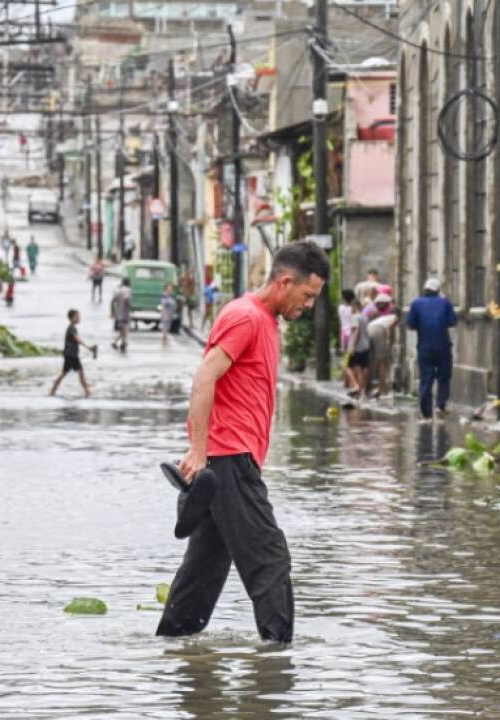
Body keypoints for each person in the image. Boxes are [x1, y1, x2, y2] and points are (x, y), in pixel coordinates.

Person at [157, 239, 330, 644]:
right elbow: (205, 376)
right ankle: (277, 660)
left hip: (229, 461)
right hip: (229, 459)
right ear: (284, 282)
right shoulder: (246, 317)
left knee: (204, 566)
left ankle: (173, 644)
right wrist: (199, 450)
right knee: (271, 558)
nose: (309, 305)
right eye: (307, 295)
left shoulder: (265, 321)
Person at [407, 277, 458, 419]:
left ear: (425, 289)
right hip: (443, 345)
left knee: (426, 378)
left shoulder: (416, 303)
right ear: (438, 290)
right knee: (444, 376)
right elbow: (453, 321)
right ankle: (440, 405)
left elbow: (410, 325)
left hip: (424, 347)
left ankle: (426, 413)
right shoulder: (445, 303)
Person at [50, 309, 96, 397]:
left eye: (79, 316)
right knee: (76, 373)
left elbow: (77, 339)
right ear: (72, 318)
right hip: (71, 355)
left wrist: (88, 348)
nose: (79, 318)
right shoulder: (72, 328)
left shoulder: (72, 328)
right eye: (77, 316)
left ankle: (53, 390)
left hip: (71, 354)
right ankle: (87, 392)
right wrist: (88, 347)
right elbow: (77, 339)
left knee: (75, 373)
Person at [367, 293, 397, 398]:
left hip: (370, 329)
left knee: (374, 362)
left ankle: (370, 389)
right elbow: (391, 329)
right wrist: (390, 342)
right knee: (383, 363)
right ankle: (384, 391)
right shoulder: (395, 317)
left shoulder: (381, 317)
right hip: (378, 331)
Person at [344, 299, 372, 397]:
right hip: (366, 345)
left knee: (349, 366)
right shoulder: (365, 317)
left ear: (355, 306)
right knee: (365, 368)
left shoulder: (355, 317)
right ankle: (363, 390)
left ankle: (357, 388)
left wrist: (352, 345)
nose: (350, 310)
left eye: (351, 307)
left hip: (358, 347)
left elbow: (356, 331)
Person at [111, 277, 132, 353]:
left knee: (122, 330)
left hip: (119, 313)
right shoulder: (128, 290)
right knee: (125, 329)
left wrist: (113, 311)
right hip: (125, 313)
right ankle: (121, 343)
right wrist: (130, 306)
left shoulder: (119, 290)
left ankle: (122, 343)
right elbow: (126, 299)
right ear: (128, 283)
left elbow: (113, 301)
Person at [337, 288, 356, 356]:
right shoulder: (353, 309)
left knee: (345, 352)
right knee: (351, 352)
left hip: (343, 330)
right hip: (351, 331)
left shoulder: (340, 308)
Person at [160, 283, 176, 348]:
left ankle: (165, 339)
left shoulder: (171, 295)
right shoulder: (165, 295)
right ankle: (164, 340)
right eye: (169, 288)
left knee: (168, 327)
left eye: (171, 288)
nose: (170, 289)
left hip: (170, 313)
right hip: (166, 313)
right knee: (165, 327)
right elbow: (163, 304)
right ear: (166, 288)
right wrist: (164, 313)